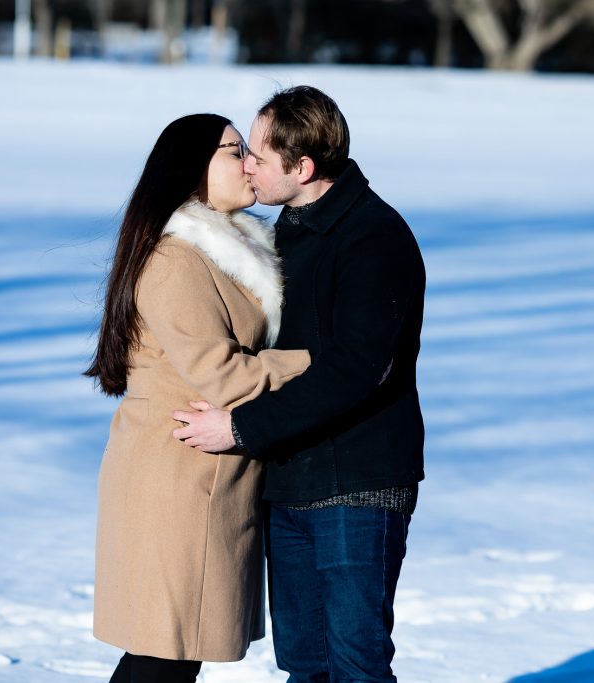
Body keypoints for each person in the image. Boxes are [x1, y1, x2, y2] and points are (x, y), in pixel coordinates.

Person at [173, 86, 426, 683]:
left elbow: (358, 369)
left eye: (257, 157)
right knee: (305, 665)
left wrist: (241, 427)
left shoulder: (373, 237)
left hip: (356, 482)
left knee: (355, 663)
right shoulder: (281, 232)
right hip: (287, 479)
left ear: (303, 167)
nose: (246, 168)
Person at [85, 113, 311, 683]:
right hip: (177, 480)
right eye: (234, 151)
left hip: (206, 478)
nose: (250, 163)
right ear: (192, 171)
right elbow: (223, 374)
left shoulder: (222, 251)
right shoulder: (176, 259)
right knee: (164, 654)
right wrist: (320, 364)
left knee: (166, 655)